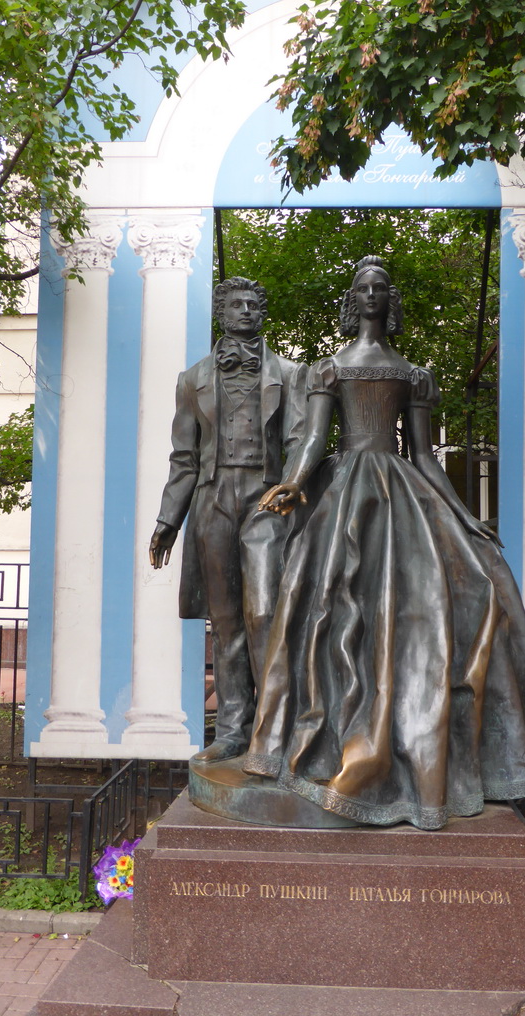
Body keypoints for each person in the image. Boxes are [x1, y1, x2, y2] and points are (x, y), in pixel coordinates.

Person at [243, 256, 525, 829]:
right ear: (352, 298)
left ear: (391, 301)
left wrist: (465, 515)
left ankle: (421, 753)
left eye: (380, 288)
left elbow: (425, 457)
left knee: (471, 589)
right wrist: (290, 483)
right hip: (347, 497)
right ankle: (328, 742)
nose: (371, 296)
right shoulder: (329, 370)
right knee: (330, 612)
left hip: (403, 493)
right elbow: (314, 440)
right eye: (362, 287)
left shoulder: (413, 374)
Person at [149, 277, 307, 762]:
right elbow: (184, 458)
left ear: (262, 313)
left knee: (263, 614)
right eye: (235, 304)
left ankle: (274, 728)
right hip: (213, 499)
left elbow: (301, 438)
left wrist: (294, 485)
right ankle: (234, 730)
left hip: (266, 498)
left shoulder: (290, 372)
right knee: (225, 620)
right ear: (221, 312)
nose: (245, 311)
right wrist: (168, 521)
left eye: (253, 304)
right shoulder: (191, 379)